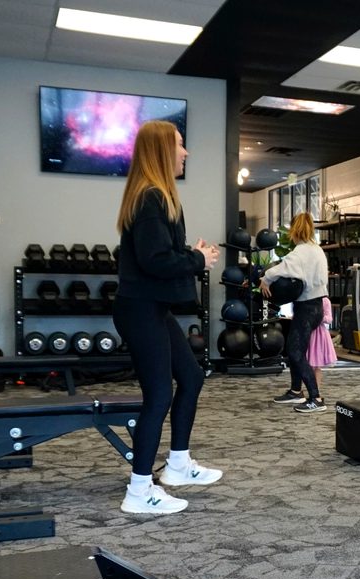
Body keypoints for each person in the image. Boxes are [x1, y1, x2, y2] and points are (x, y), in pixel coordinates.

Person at [113, 120, 222, 515]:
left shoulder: (157, 197)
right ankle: (138, 492)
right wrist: (198, 259)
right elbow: (155, 260)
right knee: (158, 395)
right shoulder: (150, 199)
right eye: (180, 144)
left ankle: (177, 465)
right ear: (161, 150)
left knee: (191, 376)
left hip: (151, 308)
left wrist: (189, 254)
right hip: (140, 310)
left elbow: (156, 254)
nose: (185, 152)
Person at [262, 212, 329, 413]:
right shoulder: (317, 250)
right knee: (296, 349)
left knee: (295, 351)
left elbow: (280, 270)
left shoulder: (299, 253)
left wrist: (265, 279)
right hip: (316, 305)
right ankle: (295, 391)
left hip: (306, 308)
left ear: (294, 230)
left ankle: (316, 398)